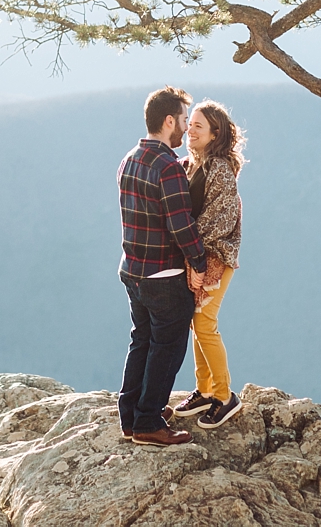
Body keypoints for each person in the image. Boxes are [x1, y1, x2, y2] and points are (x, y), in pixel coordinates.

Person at [117, 85, 209, 447]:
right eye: (185, 120)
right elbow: (181, 224)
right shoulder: (168, 167)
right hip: (164, 275)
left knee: (141, 340)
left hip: (132, 270)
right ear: (169, 120)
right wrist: (199, 263)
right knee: (167, 347)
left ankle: (132, 416)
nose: (187, 128)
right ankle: (149, 422)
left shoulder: (130, 158)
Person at [171, 100, 246, 429]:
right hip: (198, 257)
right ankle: (205, 390)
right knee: (195, 323)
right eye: (190, 125)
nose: (190, 130)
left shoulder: (220, 169)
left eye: (198, 126)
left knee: (204, 324)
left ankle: (226, 397)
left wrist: (196, 259)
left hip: (216, 258)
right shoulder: (191, 164)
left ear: (215, 134)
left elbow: (220, 220)